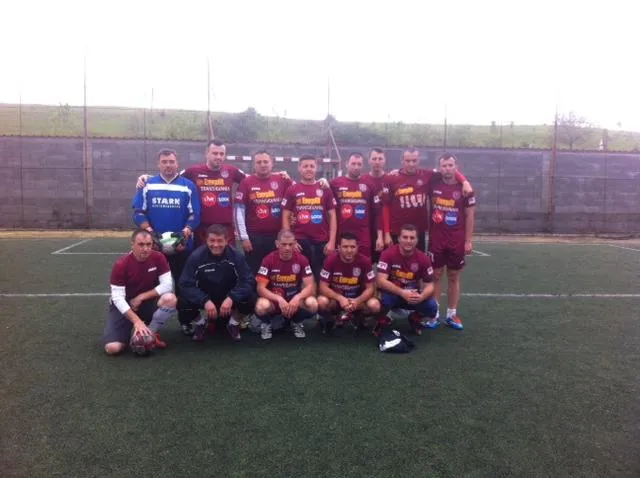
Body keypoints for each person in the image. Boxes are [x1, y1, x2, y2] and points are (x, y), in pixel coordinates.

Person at [132, 148, 201, 335]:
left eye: (171, 161)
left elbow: (195, 215)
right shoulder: (147, 185)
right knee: (150, 286)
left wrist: (185, 233)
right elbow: (138, 212)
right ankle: (148, 324)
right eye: (164, 162)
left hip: (182, 247)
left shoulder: (188, 186)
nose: (168, 165)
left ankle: (186, 321)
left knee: (184, 286)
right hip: (154, 248)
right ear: (158, 164)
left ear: (177, 164)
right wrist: (150, 233)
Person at [136, 139, 246, 246]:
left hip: (226, 227)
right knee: (201, 257)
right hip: (202, 228)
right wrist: (148, 177)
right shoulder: (194, 171)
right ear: (206, 154)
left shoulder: (232, 170)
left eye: (221, 154)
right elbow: (171, 177)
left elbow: (250, 180)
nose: (218, 157)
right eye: (215, 153)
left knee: (229, 257)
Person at [102, 228, 177, 355]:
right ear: (132, 245)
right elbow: (117, 298)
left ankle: (149, 335)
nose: (145, 249)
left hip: (147, 302)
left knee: (170, 299)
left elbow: (168, 285)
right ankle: (133, 331)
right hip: (125, 305)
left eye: (148, 244)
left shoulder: (158, 257)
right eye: (141, 244)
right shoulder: (121, 264)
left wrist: (141, 297)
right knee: (112, 348)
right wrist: (137, 321)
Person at [381, 147, 472, 252]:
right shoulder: (391, 178)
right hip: (397, 231)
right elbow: (385, 206)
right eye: (407, 161)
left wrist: (464, 181)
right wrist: (386, 233)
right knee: (395, 261)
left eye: (414, 160)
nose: (411, 164)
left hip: (418, 232)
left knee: (418, 261)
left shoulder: (427, 175)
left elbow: (448, 171)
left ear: (419, 160)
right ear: (402, 161)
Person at [178, 224, 256, 342]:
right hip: (206, 297)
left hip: (229, 298)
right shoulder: (196, 257)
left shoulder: (236, 256)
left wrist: (232, 297)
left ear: (226, 240)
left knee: (251, 298)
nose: (216, 245)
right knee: (181, 301)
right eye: (212, 240)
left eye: (220, 241)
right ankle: (201, 323)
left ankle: (233, 323)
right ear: (206, 240)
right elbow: (185, 284)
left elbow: (248, 281)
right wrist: (204, 300)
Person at [425, 153, 476, 331]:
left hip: (456, 240)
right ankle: (435, 314)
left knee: (454, 276)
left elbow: (470, 215)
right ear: (439, 168)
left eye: (450, 165)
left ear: (456, 166)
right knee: (436, 275)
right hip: (436, 239)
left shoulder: (465, 189)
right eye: (444, 165)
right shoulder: (433, 183)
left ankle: (452, 314)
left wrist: (468, 240)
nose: (447, 168)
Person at [234, 150, 293, 275]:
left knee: (276, 271)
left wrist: (321, 181)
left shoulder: (282, 179)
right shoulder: (246, 182)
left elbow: (302, 191)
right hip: (254, 238)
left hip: (277, 237)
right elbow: (239, 212)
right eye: (259, 162)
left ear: (272, 163)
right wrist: (244, 238)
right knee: (254, 272)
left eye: (266, 162)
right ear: (254, 165)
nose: (262, 165)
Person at [282, 154, 337, 281]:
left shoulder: (325, 188)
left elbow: (333, 216)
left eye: (312, 166)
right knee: (299, 278)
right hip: (300, 242)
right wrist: (291, 241)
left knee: (321, 279)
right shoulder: (292, 190)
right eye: (305, 166)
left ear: (316, 168)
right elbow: (285, 217)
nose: (309, 169)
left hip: (321, 242)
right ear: (299, 168)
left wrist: (332, 241)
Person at [254, 229, 318, 340]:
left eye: (290, 244)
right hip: (275, 301)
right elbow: (260, 288)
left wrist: (297, 298)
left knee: (313, 304)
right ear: (277, 244)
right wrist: (278, 299)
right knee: (261, 306)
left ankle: (296, 322)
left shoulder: (302, 259)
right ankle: (267, 323)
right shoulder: (268, 260)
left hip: (294, 301)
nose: (287, 248)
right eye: (284, 244)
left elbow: (310, 286)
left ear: (295, 243)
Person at [375, 224, 438, 336]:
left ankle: (415, 318)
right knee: (378, 302)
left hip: (412, 296)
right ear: (399, 238)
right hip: (393, 294)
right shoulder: (388, 254)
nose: (408, 241)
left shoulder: (423, 258)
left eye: (412, 238)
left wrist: (421, 296)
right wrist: (402, 292)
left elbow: (430, 285)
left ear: (417, 240)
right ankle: (382, 321)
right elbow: (380, 281)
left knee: (432, 306)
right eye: (405, 237)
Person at [317, 232, 380, 335]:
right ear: (339, 247)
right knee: (321, 301)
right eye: (345, 247)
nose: (349, 250)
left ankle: (358, 318)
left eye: (352, 247)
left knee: (375, 305)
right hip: (336, 299)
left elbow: (370, 288)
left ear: (357, 247)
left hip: (356, 300)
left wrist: (358, 300)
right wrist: (340, 298)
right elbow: (323, 287)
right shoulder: (330, 260)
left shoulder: (365, 261)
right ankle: (332, 319)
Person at [329, 152, 382, 259]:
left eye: (359, 164)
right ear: (346, 164)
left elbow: (377, 213)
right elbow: (328, 209)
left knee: (364, 264)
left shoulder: (369, 185)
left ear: (363, 165)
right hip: (341, 235)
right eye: (353, 164)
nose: (356, 167)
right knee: (341, 265)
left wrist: (380, 237)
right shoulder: (334, 184)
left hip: (363, 236)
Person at [362, 147, 389, 263]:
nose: (377, 162)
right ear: (369, 160)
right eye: (374, 159)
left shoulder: (391, 179)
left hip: (387, 230)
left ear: (385, 160)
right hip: (367, 230)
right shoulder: (362, 180)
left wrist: (386, 233)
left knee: (386, 265)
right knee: (366, 264)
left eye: (380, 159)